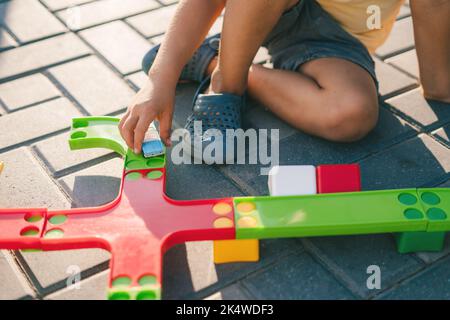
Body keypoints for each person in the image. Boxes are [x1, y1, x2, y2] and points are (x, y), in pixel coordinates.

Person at [119, 0, 449, 162]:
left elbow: (434, 5)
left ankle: (213, 60)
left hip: (337, 43)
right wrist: (159, 78)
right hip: (278, 7)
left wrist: (439, 87)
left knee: (352, 112)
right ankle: (225, 85)